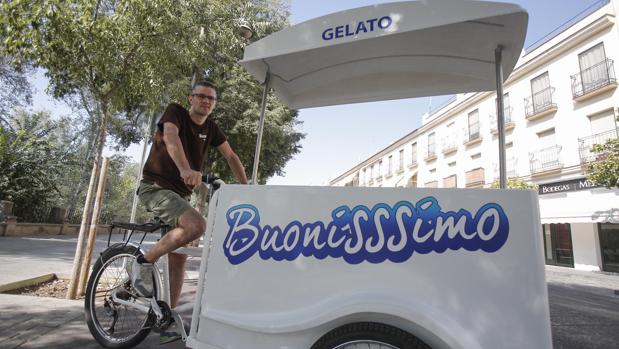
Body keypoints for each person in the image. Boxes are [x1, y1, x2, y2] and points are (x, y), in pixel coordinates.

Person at [131, 80, 248, 343]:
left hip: (180, 195)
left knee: (179, 257)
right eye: (202, 96)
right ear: (191, 99)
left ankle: (167, 319)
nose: (207, 101)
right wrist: (184, 169)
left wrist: (246, 188)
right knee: (197, 225)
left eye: (211, 99)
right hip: (155, 187)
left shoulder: (211, 128)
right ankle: (142, 262)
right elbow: (171, 138)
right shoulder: (176, 113)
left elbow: (230, 156)